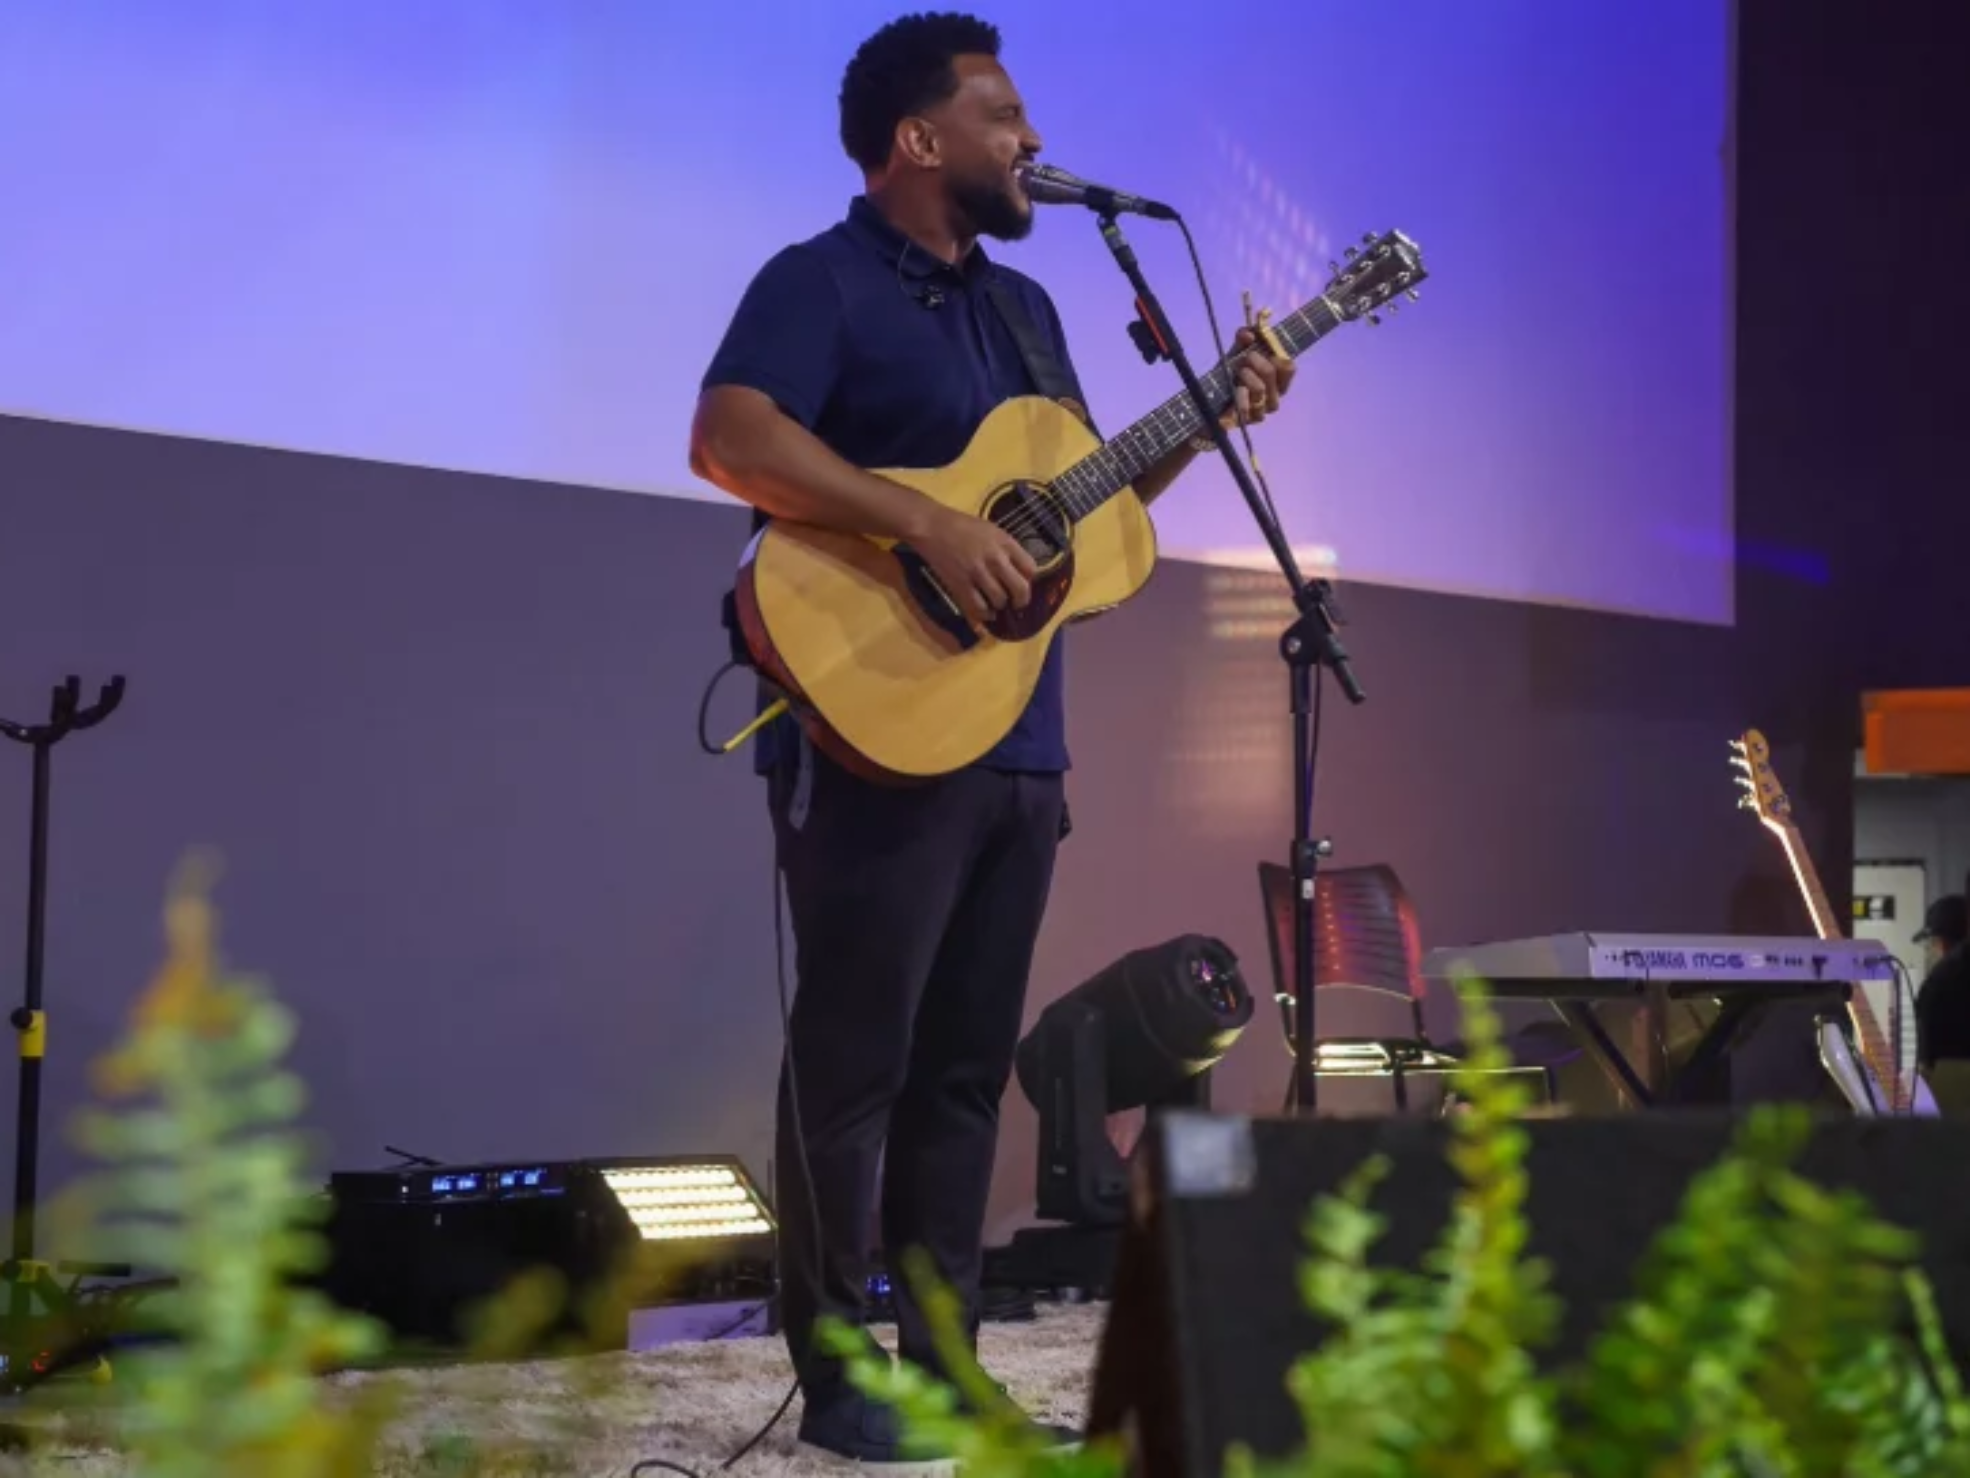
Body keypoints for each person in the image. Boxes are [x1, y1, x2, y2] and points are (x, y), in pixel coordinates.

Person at [688, 11, 1298, 1464]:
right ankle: (838, 1377)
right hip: (870, 729)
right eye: (1003, 115)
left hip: (1018, 738)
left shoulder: (1026, 312)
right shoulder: (817, 280)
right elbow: (728, 436)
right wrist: (921, 520)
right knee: (853, 1067)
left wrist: (1208, 418)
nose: (1030, 140)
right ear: (919, 139)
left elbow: (1087, 513)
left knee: (964, 1071)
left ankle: (948, 1366)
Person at [1914, 894, 1970, 1069]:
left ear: (1941, 942)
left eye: (1929, 944)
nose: (1928, 952)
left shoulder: (1938, 984)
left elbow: (1927, 1059)